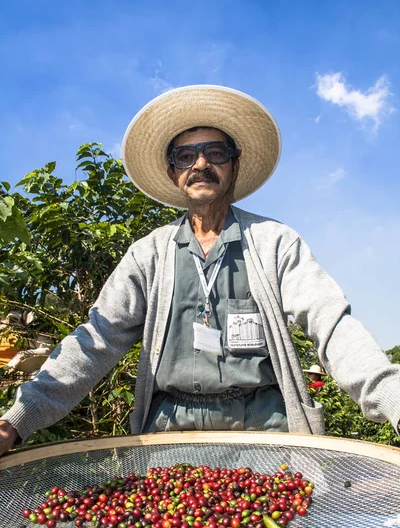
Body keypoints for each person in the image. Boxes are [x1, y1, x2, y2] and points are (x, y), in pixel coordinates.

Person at [0, 85, 399, 455]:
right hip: (170, 432)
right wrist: (15, 421)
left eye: (216, 152)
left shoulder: (274, 242)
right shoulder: (149, 254)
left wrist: (393, 399)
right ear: (174, 173)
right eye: (186, 156)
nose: (202, 164)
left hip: (266, 431)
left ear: (235, 165)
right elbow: (96, 340)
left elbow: (331, 325)